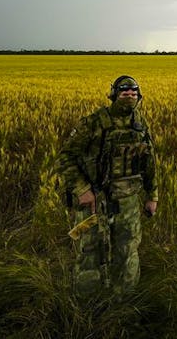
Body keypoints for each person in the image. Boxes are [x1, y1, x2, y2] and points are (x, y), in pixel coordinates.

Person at [59, 75, 158, 298]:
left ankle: (124, 301)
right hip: (95, 200)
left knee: (128, 250)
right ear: (114, 95)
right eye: (124, 93)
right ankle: (87, 303)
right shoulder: (93, 123)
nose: (129, 96)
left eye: (133, 93)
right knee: (90, 251)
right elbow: (65, 158)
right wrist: (82, 190)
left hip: (128, 201)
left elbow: (150, 162)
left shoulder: (140, 124)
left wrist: (152, 196)